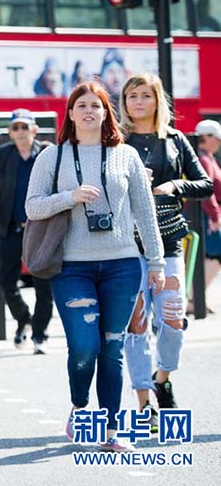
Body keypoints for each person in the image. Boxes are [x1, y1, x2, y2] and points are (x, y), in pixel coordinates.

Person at [26, 81, 164, 453]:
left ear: (106, 113)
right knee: (84, 347)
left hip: (121, 265)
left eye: (96, 105)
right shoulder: (51, 157)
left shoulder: (126, 156)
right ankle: (79, 406)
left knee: (112, 347)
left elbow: (144, 213)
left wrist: (155, 262)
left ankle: (111, 430)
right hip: (72, 269)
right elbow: (32, 207)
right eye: (81, 105)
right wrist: (68, 197)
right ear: (70, 114)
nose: (89, 111)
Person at [119, 74, 212, 431]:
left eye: (146, 95)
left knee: (172, 320)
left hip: (169, 240)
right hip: (127, 244)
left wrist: (175, 184)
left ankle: (162, 379)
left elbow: (204, 184)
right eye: (132, 96)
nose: (139, 102)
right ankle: (144, 400)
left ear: (157, 100)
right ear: (124, 102)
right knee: (137, 324)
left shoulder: (174, 140)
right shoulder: (117, 141)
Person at [0, 109, 54, 353]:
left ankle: (40, 334)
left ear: (34, 130)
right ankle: (24, 319)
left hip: (41, 228)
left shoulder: (46, 153)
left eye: (25, 127)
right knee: (4, 279)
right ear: (10, 133)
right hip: (11, 228)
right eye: (16, 128)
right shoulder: (4, 154)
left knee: (44, 283)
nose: (21, 132)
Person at [195, 119, 221, 303]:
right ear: (206, 137)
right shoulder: (203, 159)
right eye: (217, 138)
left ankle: (195, 298)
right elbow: (207, 191)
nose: (219, 142)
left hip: (208, 215)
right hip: (207, 216)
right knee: (215, 254)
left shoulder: (207, 158)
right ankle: (194, 299)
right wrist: (215, 215)